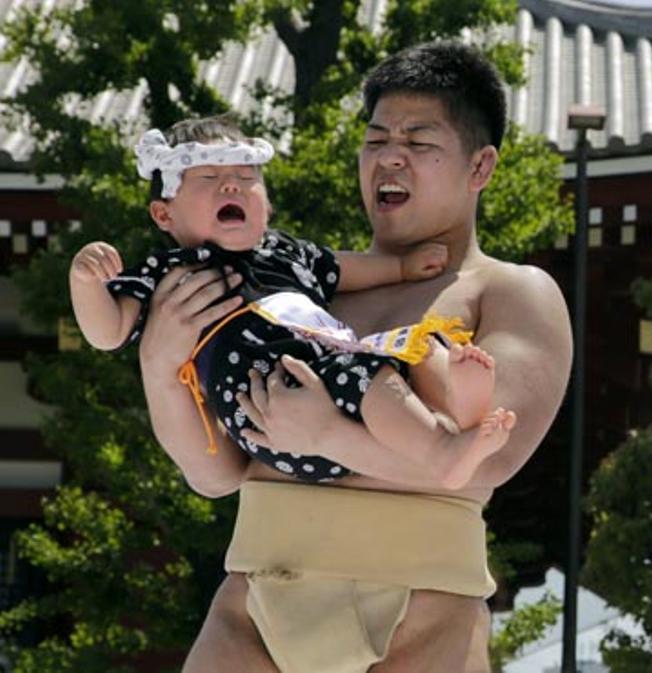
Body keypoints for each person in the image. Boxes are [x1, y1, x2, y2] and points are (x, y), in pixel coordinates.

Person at [133, 43, 571, 673]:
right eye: (375, 140)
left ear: (481, 167)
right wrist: (159, 364)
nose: (390, 157)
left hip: (421, 610)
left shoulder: (509, 291)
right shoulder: (290, 285)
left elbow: (484, 459)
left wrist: (330, 436)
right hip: (255, 600)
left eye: (419, 143)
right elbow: (216, 473)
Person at [70, 119, 516, 491]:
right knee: (367, 374)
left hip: (328, 370)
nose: (232, 185)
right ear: (164, 215)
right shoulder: (171, 272)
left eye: (247, 179)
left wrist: (399, 267)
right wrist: (86, 282)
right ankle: (442, 450)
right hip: (271, 401)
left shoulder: (285, 251)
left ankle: (456, 414)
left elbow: (339, 268)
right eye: (209, 178)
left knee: (412, 348)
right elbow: (108, 332)